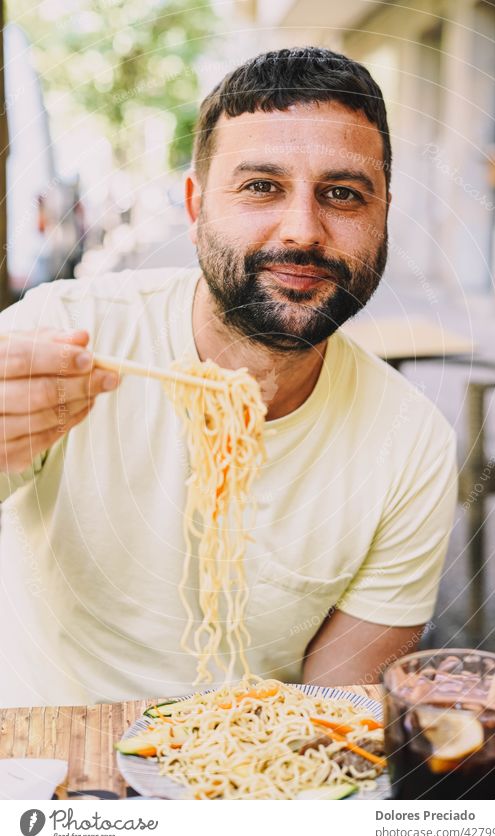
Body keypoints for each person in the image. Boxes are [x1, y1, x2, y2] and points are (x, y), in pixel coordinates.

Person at [0, 47, 457, 708]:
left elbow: (334, 718)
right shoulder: (64, 333)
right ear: (194, 208)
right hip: (43, 768)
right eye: (261, 186)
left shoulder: (411, 446)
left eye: (343, 193)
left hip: (245, 780)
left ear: (383, 214)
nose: (302, 230)